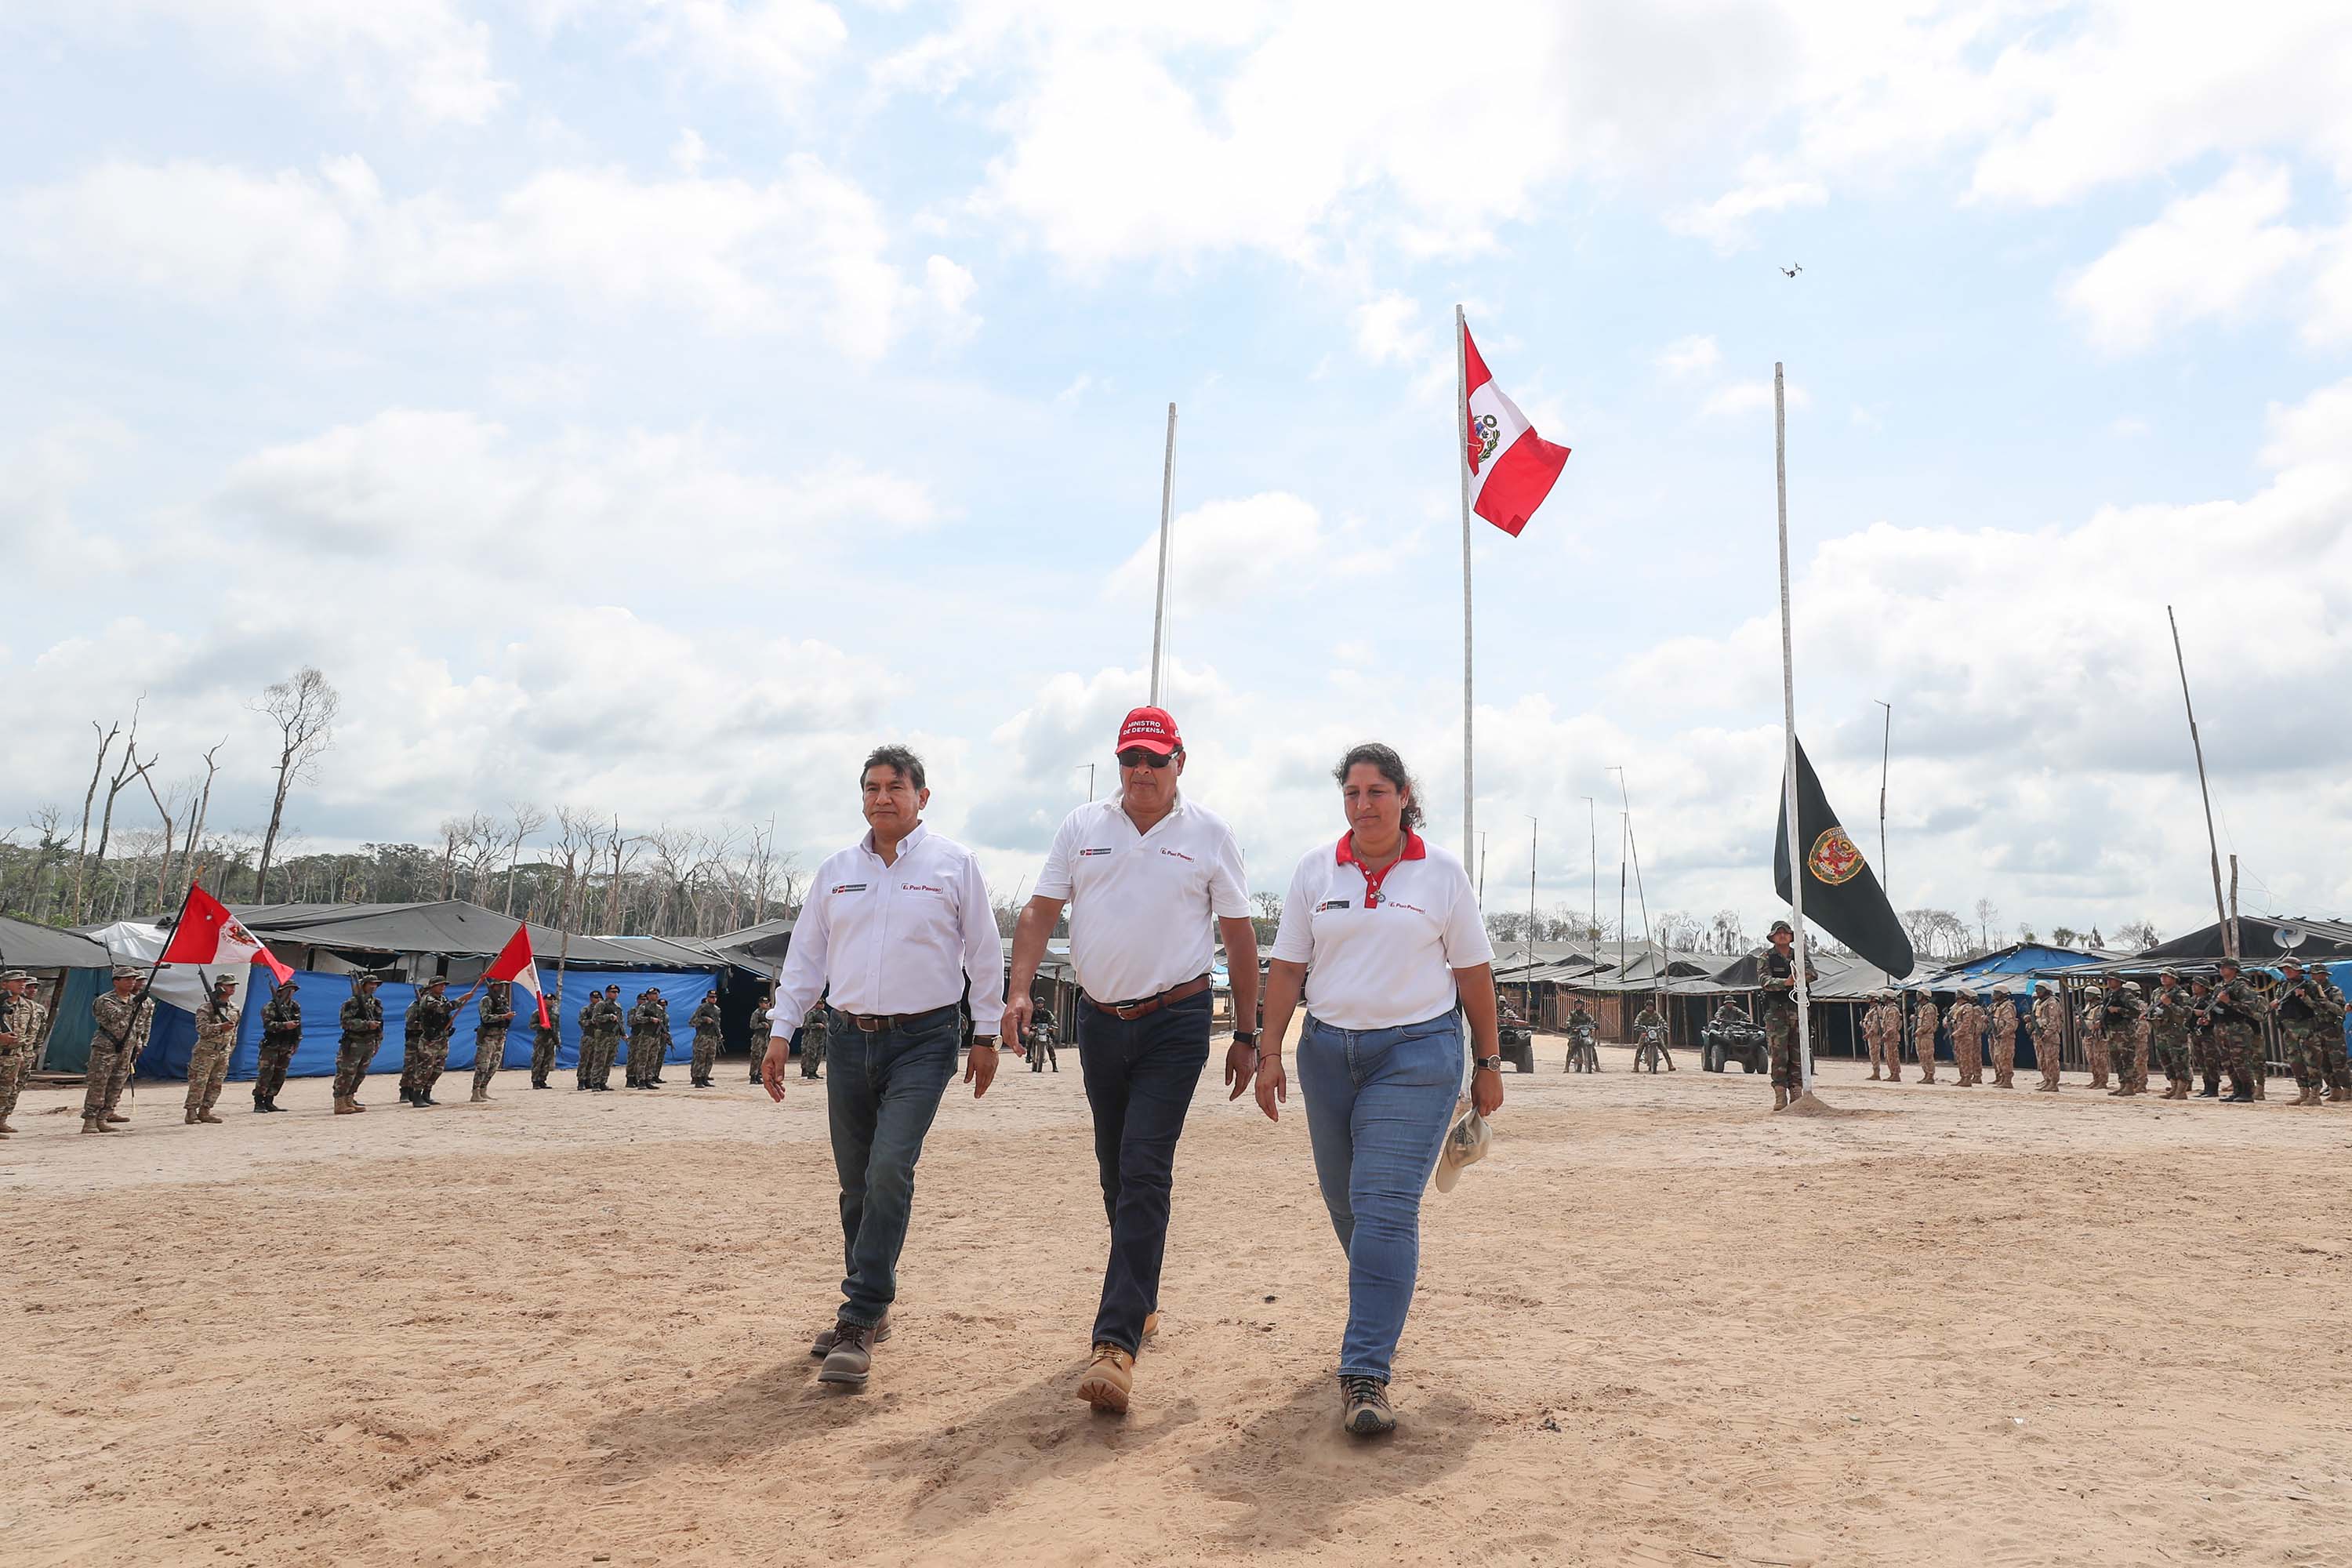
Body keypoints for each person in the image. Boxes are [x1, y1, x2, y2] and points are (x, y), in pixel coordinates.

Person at [1004, 706, 1260, 1416]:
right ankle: (1141, 1294)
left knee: (1146, 1165)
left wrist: (1248, 1033)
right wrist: (1019, 990)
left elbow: (1240, 938)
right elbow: (1038, 914)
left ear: (1181, 760)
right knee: (1115, 1168)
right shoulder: (1082, 827)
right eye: (1130, 760)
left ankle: (1115, 1345)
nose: (1141, 772)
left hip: (1176, 1021)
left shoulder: (1209, 834)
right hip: (1100, 1022)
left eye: (1155, 759)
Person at [1254, 741, 1501, 1437]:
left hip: (1418, 1054)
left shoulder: (1442, 875)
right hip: (1328, 1054)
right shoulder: (1314, 871)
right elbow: (1286, 970)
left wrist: (1488, 1062)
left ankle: (1365, 1373)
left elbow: (1475, 975)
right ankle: (1379, 1302)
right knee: (1349, 1209)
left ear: (1404, 796)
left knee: (1384, 1207)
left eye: (1377, 793)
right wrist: (1269, 1051)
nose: (1364, 806)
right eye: (1353, 793)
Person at [763, 744, 1005, 1391]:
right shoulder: (836, 871)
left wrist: (986, 1033)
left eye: (895, 787)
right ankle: (872, 1299)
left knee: (890, 1166)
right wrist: (781, 1030)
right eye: (871, 788)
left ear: (922, 797)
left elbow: (984, 955)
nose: (882, 798)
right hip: (845, 1039)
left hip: (924, 1040)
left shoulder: (956, 866)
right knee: (855, 1184)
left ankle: (861, 1315)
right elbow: (806, 959)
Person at [82, 966, 156, 1133]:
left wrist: (141, 1043)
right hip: (106, 1047)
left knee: (117, 1084)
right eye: (127, 979)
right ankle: (90, 1119)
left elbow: (142, 1024)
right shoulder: (105, 1000)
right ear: (116, 982)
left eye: (133, 979)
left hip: (127, 1048)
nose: (132, 982)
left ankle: (104, 1117)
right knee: (99, 1083)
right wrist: (133, 1003)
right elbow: (115, 1017)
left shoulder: (139, 1000)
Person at [1760, 922, 1817, 1109]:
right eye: (1779, 934)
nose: (1783, 936)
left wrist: (1801, 977)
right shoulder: (1766, 957)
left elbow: (1813, 973)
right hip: (1777, 1012)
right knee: (1779, 1055)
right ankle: (1779, 1093)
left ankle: (1796, 1091)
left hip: (1798, 1009)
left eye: (1786, 933)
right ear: (1773, 937)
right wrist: (1786, 982)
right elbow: (1764, 980)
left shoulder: (1798, 955)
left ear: (1791, 937)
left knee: (1798, 1053)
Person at [2270, 958, 2336, 1107]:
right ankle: (2303, 1093)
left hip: (2307, 1029)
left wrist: (2305, 998)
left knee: (2312, 1062)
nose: (2287, 971)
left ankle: (2315, 1094)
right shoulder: (2283, 986)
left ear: (2299, 970)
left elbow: (2322, 1007)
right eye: (2285, 969)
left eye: (2290, 969)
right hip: (2289, 1030)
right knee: (2296, 1063)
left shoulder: (2311, 986)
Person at [184, 973, 241, 1126]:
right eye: (229, 985)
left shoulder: (235, 1008)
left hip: (223, 1051)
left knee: (216, 1082)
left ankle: (206, 1110)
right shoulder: (206, 1008)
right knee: (199, 1081)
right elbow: (201, 1029)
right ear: (219, 987)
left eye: (234, 985)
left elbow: (234, 1032)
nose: (232, 988)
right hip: (206, 1051)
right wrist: (219, 1027)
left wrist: (230, 1049)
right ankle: (191, 1112)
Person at [2, 969, 51, 1136]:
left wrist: (30, 1052)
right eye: (17, 981)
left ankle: (2, 1120)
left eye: (24, 981)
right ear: (4, 984)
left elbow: (35, 1032)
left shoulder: (30, 1007)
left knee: (10, 1090)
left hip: (18, 1056)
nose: (22, 984)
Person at [2209, 957, 2263, 1102]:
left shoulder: (2241, 986)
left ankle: (2248, 1091)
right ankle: (2237, 1089)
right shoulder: (2219, 987)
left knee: (2240, 1060)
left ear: (2234, 969)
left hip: (2238, 1027)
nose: (2221, 969)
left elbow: (2250, 1008)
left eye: (2224, 967)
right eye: (2220, 967)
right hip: (2221, 1027)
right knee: (2227, 1061)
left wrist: (2229, 1002)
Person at [333, 975, 385, 1114]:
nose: (373, 987)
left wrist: (378, 1041)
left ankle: (350, 1099)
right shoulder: (352, 1002)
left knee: (360, 1073)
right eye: (370, 984)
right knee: (346, 1072)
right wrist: (367, 1025)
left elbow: (380, 1024)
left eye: (376, 984)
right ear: (364, 985)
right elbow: (345, 1022)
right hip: (354, 1042)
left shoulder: (377, 1003)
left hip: (369, 1042)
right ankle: (340, 1102)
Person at [249, 975, 302, 1113]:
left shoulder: (295, 1006)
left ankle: (270, 1100)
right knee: (266, 1073)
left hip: (286, 1044)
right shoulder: (270, 1006)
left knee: (280, 1074)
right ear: (280, 991)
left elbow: (298, 1025)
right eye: (288, 990)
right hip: (272, 1045)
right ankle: (259, 1101)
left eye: (293, 990)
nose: (291, 993)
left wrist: (296, 1042)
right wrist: (285, 1025)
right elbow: (268, 1025)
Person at [404, 977, 458, 1107]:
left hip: (442, 1038)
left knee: (438, 1068)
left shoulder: (443, 999)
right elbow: (441, 1009)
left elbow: (445, 1015)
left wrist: (447, 1028)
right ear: (432, 987)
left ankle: (427, 1093)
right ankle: (416, 1095)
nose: (443, 987)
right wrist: (461, 1000)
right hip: (429, 1040)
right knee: (425, 1068)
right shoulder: (428, 999)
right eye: (440, 985)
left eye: (444, 985)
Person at [2095, 975, 2146, 1098]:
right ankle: (2122, 1084)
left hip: (2124, 1032)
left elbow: (2136, 1012)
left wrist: (2119, 1010)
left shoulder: (2126, 995)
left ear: (2119, 981)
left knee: (2127, 1059)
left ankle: (2130, 1086)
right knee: (2116, 1059)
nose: (2109, 982)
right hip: (2112, 1032)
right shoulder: (2109, 995)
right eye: (2108, 979)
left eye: (2112, 979)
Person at [2147, 971, 2194, 1099]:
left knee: (2179, 1060)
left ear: (2174, 978)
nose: (2163, 978)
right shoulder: (2157, 992)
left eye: (2166, 976)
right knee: (2165, 1060)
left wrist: (2170, 1004)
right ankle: (2173, 1087)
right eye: (2161, 976)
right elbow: (2152, 1007)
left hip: (2176, 1032)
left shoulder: (2181, 994)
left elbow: (2187, 1014)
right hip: (2161, 1031)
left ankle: (2181, 1090)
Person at [470, 978, 516, 1103]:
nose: (503, 988)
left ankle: (483, 1090)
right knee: (483, 1065)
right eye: (500, 985)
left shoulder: (501, 1000)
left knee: (494, 1065)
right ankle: (475, 1092)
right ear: (494, 986)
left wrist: (507, 1018)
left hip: (500, 1036)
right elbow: (485, 1018)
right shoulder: (487, 1000)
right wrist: (503, 1017)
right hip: (488, 1037)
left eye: (504, 985)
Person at [2187, 976, 2222, 1097]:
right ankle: (2207, 1086)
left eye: (2197, 985)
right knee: (2201, 1061)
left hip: (2208, 1034)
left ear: (2204, 987)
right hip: (2196, 1033)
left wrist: (2206, 1018)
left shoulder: (2210, 1001)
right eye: (2193, 985)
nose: (2194, 987)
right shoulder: (2193, 1000)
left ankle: (2213, 1088)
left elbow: (2217, 1015)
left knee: (2210, 1061)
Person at [626, 990, 666, 1089]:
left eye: (657, 994)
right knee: (642, 1058)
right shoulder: (643, 1007)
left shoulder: (659, 1008)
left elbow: (661, 1022)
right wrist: (650, 1019)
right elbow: (638, 1018)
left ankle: (649, 1079)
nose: (656, 996)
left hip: (655, 1036)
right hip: (645, 1035)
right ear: (649, 996)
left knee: (652, 1059)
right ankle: (641, 1080)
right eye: (653, 994)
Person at [2031, 983, 2064, 1091]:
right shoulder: (2038, 1003)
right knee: (2042, 1060)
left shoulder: (2052, 1003)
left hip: (2050, 1036)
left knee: (2051, 1060)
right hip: (2039, 1034)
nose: (2038, 992)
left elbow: (2054, 1021)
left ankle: (2053, 1083)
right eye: (2036, 990)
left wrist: (2047, 1033)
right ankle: (2047, 1080)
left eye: (2040, 990)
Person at [1949, 990, 1985, 1087]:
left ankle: (1968, 1077)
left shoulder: (1968, 1008)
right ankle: (1963, 1077)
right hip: (1959, 1036)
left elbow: (1967, 1024)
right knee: (1960, 1058)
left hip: (1965, 1036)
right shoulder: (1957, 1007)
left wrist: (1957, 1033)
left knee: (1967, 1057)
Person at [1984, 986, 2018, 1088]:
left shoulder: (2007, 1006)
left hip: (2005, 1037)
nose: (1994, 995)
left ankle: (2007, 1080)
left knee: (2005, 1058)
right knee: (1998, 1058)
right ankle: (2001, 1078)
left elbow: (2010, 1024)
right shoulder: (1995, 1006)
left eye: (1996, 993)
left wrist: (2003, 1034)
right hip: (1997, 1036)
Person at [689, 989, 722, 1086]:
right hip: (702, 1036)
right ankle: (697, 1079)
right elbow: (692, 1022)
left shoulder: (717, 1009)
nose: (714, 999)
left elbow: (717, 1024)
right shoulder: (702, 1008)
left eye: (715, 997)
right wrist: (704, 1019)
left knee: (710, 1058)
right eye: (711, 997)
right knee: (700, 1058)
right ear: (707, 998)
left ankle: (705, 1077)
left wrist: (719, 1034)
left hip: (712, 1037)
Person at [1631, 998, 1673, 1072]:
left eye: (1651, 1006)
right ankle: (1636, 1067)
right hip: (1645, 1032)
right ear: (1646, 1006)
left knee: (1663, 1047)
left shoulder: (1656, 1014)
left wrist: (1665, 1025)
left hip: (1655, 1031)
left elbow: (1661, 1020)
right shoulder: (1642, 1013)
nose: (1650, 1007)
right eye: (1648, 1006)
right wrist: (1637, 1024)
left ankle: (1670, 1065)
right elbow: (1637, 1020)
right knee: (1639, 1049)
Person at [1910, 990, 1941, 1085]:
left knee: (1928, 1055)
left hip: (1926, 1035)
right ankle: (1926, 1074)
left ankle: (1930, 1076)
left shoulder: (1929, 1008)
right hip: (1920, 1036)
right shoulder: (1920, 1007)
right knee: (1922, 1056)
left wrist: (1919, 1031)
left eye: (1920, 995)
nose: (1917, 997)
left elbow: (1928, 1023)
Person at [530, 998, 561, 1089]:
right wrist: (541, 1027)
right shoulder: (538, 1012)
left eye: (553, 1000)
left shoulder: (555, 1014)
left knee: (547, 1060)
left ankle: (542, 1080)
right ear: (544, 1001)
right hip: (541, 1039)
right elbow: (531, 1025)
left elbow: (556, 1028)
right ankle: (535, 1081)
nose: (551, 1001)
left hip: (551, 1039)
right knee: (538, 1060)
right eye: (549, 1000)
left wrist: (557, 1041)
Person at [1564, 1000, 1600, 1072]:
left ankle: (1597, 1066)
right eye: (1577, 1005)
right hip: (1575, 1032)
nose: (1578, 1006)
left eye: (1579, 1004)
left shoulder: (1586, 1014)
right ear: (1575, 1006)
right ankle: (1567, 1066)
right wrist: (1569, 1025)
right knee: (1572, 1045)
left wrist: (1595, 1024)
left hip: (1585, 1032)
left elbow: (1591, 1020)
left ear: (1582, 1005)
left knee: (1592, 1048)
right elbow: (1569, 1020)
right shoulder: (1572, 1014)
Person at [746, 993, 772, 1084]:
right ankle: (753, 1076)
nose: (767, 1004)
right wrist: (762, 1025)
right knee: (756, 1057)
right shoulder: (757, 1013)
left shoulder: (769, 1013)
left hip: (766, 1038)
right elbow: (752, 1025)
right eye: (764, 1003)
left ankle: (759, 1075)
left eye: (767, 1003)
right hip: (758, 1038)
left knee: (763, 1058)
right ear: (760, 1004)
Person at [1027, 1004, 1060, 1073]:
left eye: (1041, 1003)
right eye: (1038, 1003)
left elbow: (1052, 1019)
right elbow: (1028, 1020)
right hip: (1035, 1030)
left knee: (1050, 1045)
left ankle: (1054, 1065)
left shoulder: (1047, 1012)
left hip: (1045, 1031)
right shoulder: (1033, 1013)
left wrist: (1054, 1025)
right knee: (1030, 1036)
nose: (1040, 1004)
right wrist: (1031, 1026)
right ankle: (1028, 1055)